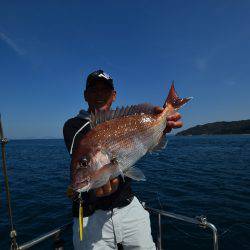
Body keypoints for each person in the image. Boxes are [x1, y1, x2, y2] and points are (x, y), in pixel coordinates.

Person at [63, 70, 182, 250]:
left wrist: (160, 125)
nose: (100, 95)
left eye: (106, 91)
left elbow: (141, 142)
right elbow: (84, 155)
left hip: (128, 206)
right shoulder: (73, 126)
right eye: (94, 90)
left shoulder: (125, 119)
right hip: (91, 216)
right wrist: (94, 184)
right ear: (85, 95)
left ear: (114, 95)